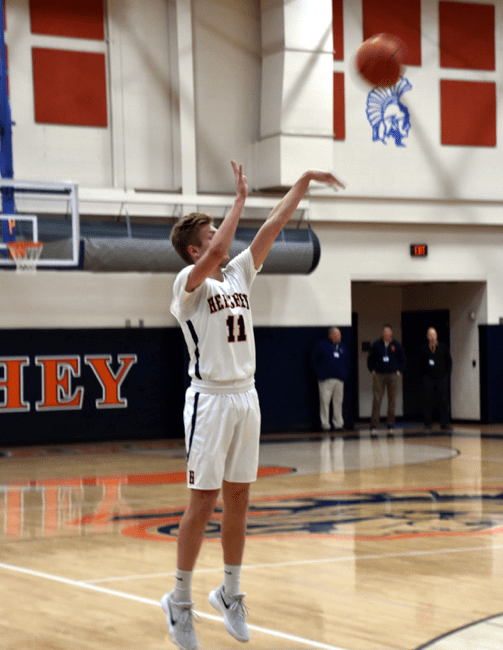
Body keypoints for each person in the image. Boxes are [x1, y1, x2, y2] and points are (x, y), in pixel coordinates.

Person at [164, 161, 344, 650]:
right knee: (203, 502)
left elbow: (271, 229)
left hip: (248, 396)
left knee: (240, 498)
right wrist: (239, 197)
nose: (220, 238)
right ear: (195, 249)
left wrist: (301, 185)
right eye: (210, 233)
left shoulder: (239, 274)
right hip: (210, 400)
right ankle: (179, 602)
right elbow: (224, 244)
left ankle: (230, 592)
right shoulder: (187, 286)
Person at [367, 324, 405, 431]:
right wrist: (372, 370)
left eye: (388, 332)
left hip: (393, 374)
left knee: (392, 399)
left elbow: (402, 360)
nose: (386, 334)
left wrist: (399, 371)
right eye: (385, 332)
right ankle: (374, 422)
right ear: (383, 333)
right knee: (377, 398)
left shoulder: (397, 345)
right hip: (379, 375)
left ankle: (390, 422)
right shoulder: (376, 344)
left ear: (391, 333)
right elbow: (370, 359)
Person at [312, 327, 349, 431]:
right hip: (326, 379)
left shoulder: (341, 346)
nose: (340, 336)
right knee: (325, 402)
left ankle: (338, 424)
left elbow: (346, 362)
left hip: (339, 379)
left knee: (338, 402)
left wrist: (344, 374)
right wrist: (320, 373)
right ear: (331, 335)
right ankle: (325, 425)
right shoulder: (322, 345)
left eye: (340, 334)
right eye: (338, 334)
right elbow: (314, 360)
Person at [418, 327, 452, 432]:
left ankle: (444, 423)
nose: (432, 337)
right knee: (427, 401)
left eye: (434, 334)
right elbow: (420, 364)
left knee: (444, 401)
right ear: (427, 337)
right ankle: (427, 423)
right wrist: (423, 376)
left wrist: (447, 375)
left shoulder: (443, 347)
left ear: (436, 336)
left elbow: (449, 361)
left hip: (442, 377)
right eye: (430, 335)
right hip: (428, 378)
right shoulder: (424, 348)